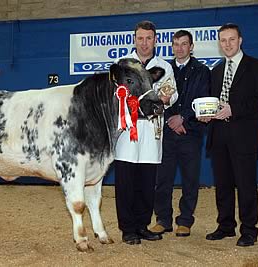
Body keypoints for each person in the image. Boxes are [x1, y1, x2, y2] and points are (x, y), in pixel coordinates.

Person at [200, 23, 258, 247]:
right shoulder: (216, 71)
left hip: (244, 137)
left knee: (246, 185)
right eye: (223, 40)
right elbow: (212, 102)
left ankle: (249, 230)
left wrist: (234, 109)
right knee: (222, 185)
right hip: (219, 136)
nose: (227, 44)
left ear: (240, 40)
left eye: (231, 39)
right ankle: (226, 226)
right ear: (219, 44)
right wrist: (206, 115)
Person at [114, 20, 178, 245]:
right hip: (127, 130)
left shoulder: (165, 67)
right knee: (125, 182)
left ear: (155, 40)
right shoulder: (122, 64)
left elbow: (172, 93)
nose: (144, 43)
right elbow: (114, 95)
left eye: (148, 38)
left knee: (147, 181)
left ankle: (142, 225)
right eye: (140, 38)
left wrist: (168, 98)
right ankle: (127, 229)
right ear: (134, 39)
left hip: (152, 129)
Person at [152, 30, 210, 237]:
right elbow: (159, 97)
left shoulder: (202, 71)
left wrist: (183, 118)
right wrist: (171, 119)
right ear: (172, 46)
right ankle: (163, 220)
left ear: (191, 47)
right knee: (163, 179)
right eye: (176, 44)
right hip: (167, 132)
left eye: (184, 44)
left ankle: (185, 221)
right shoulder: (164, 69)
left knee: (190, 179)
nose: (179, 48)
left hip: (191, 133)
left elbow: (203, 100)